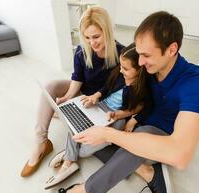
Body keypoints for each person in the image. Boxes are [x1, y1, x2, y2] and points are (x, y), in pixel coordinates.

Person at [44, 11, 199, 193]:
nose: (140, 62)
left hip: (157, 131)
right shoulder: (147, 68)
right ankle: (147, 171)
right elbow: (121, 85)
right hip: (134, 123)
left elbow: (180, 155)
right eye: (139, 54)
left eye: (146, 55)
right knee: (96, 133)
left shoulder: (196, 81)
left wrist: (109, 133)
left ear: (171, 50)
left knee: (120, 140)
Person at [20, 7, 124, 177]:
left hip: (100, 100)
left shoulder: (121, 53)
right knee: (50, 86)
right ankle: (41, 142)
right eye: (87, 37)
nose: (92, 43)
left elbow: (119, 86)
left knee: (78, 120)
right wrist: (68, 97)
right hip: (82, 93)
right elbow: (77, 78)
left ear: (108, 31)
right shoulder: (82, 51)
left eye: (96, 36)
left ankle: (69, 153)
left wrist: (95, 97)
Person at [44, 43, 153, 189]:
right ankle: (69, 163)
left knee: (85, 151)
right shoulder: (119, 74)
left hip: (117, 118)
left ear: (140, 70)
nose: (120, 70)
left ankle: (69, 154)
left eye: (126, 68)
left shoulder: (144, 88)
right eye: (121, 65)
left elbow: (146, 107)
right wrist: (96, 95)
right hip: (101, 105)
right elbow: (106, 87)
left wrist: (133, 119)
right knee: (75, 122)